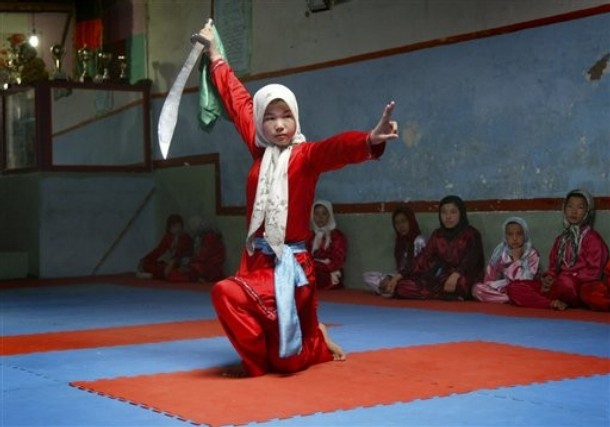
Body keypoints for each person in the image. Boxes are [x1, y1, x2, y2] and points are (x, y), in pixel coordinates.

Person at [198, 22, 398, 377]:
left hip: (292, 269)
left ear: (296, 117)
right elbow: (237, 97)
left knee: (290, 363)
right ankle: (258, 365)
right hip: (257, 264)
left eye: (285, 115)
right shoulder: (259, 150)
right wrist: (214, 53)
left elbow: (336, 148)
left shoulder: (305, 156)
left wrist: (369, 139)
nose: (278, 125)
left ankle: (312, 342)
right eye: (270, 118)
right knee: (225, 294)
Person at [507, 189, 609, 310]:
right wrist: (548, 279)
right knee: (514, 287)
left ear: (587, 212)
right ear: (564, 209)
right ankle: (551, 303)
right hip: (557, 286)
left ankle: (544, 300)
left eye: (580, 208)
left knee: (569, 284)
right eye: (570, 206)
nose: (574, 211)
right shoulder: (561, 240)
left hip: (576, 286)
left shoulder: (593, 239)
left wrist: (566, 278)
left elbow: (594, 272)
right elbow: (553, 268)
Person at [380, 195, 484, 300]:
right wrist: (398, 276)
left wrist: (456, 274)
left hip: (463, 277)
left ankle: (448, 294)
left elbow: (471, 261)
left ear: (461, 213)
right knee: (402, 286)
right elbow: (423, 258)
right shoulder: (437, 235)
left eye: (453, 212)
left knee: (462, 284)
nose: (448, 217)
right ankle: (445, 296)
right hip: (440, 279)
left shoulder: (471, 234)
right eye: (444, 212)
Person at [472, 217, 540, 303]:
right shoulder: (500, 251)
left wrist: (517, 260)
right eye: (510, 234)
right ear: (505, 236)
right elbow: (490, 277)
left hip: (522, 288)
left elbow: (525, 280)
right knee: (477, 289)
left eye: (519, 234)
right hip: (503, 288)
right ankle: (508, 299)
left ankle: (509, 298)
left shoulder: (531, 253)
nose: (515, 238)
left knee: (519, 291)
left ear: (525, 235)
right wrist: (494, 287)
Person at [363, 204, 426, 297]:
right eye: (397, 223)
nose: (401, 226)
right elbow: (400, 268)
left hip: (417, 280)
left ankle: (392, 289)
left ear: (411, 221)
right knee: (368, 277)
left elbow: (419, 268)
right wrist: (390, 278)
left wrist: (397, 279)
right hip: (400, 277)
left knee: (404, 286)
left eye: (404, 221)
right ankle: (390, 288)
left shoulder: (420, 240)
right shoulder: (400, 242)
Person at [167, 215, 226, 283]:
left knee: (179, 274)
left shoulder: (209, 237)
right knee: (175, 273)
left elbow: (203, 257)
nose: (192, 230)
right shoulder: (200, 237)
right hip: (202, 265)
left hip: (210, 268)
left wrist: (189, 263)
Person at [136, 214, 193, 280]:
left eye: (179, 226)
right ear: (169, 227)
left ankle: (152, 276)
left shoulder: (186, 238)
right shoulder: (168, 237)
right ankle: (154, 274)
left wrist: (171, 264)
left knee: (176, 273)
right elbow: (159, 250)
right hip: (170, 264)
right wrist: (145, 259)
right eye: (174, 226)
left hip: (181, 264)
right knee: (149, 265)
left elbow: (179, 255)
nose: (178, 229)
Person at [307, 200, 348, 290]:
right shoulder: (309, 235)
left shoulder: (337, 236)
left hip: (329, 271)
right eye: (316, 214)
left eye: (324, 214)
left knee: (315, 276)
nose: (320, 217)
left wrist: (318, 266)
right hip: (311, 268)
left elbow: (338, 260)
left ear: (329, 215)